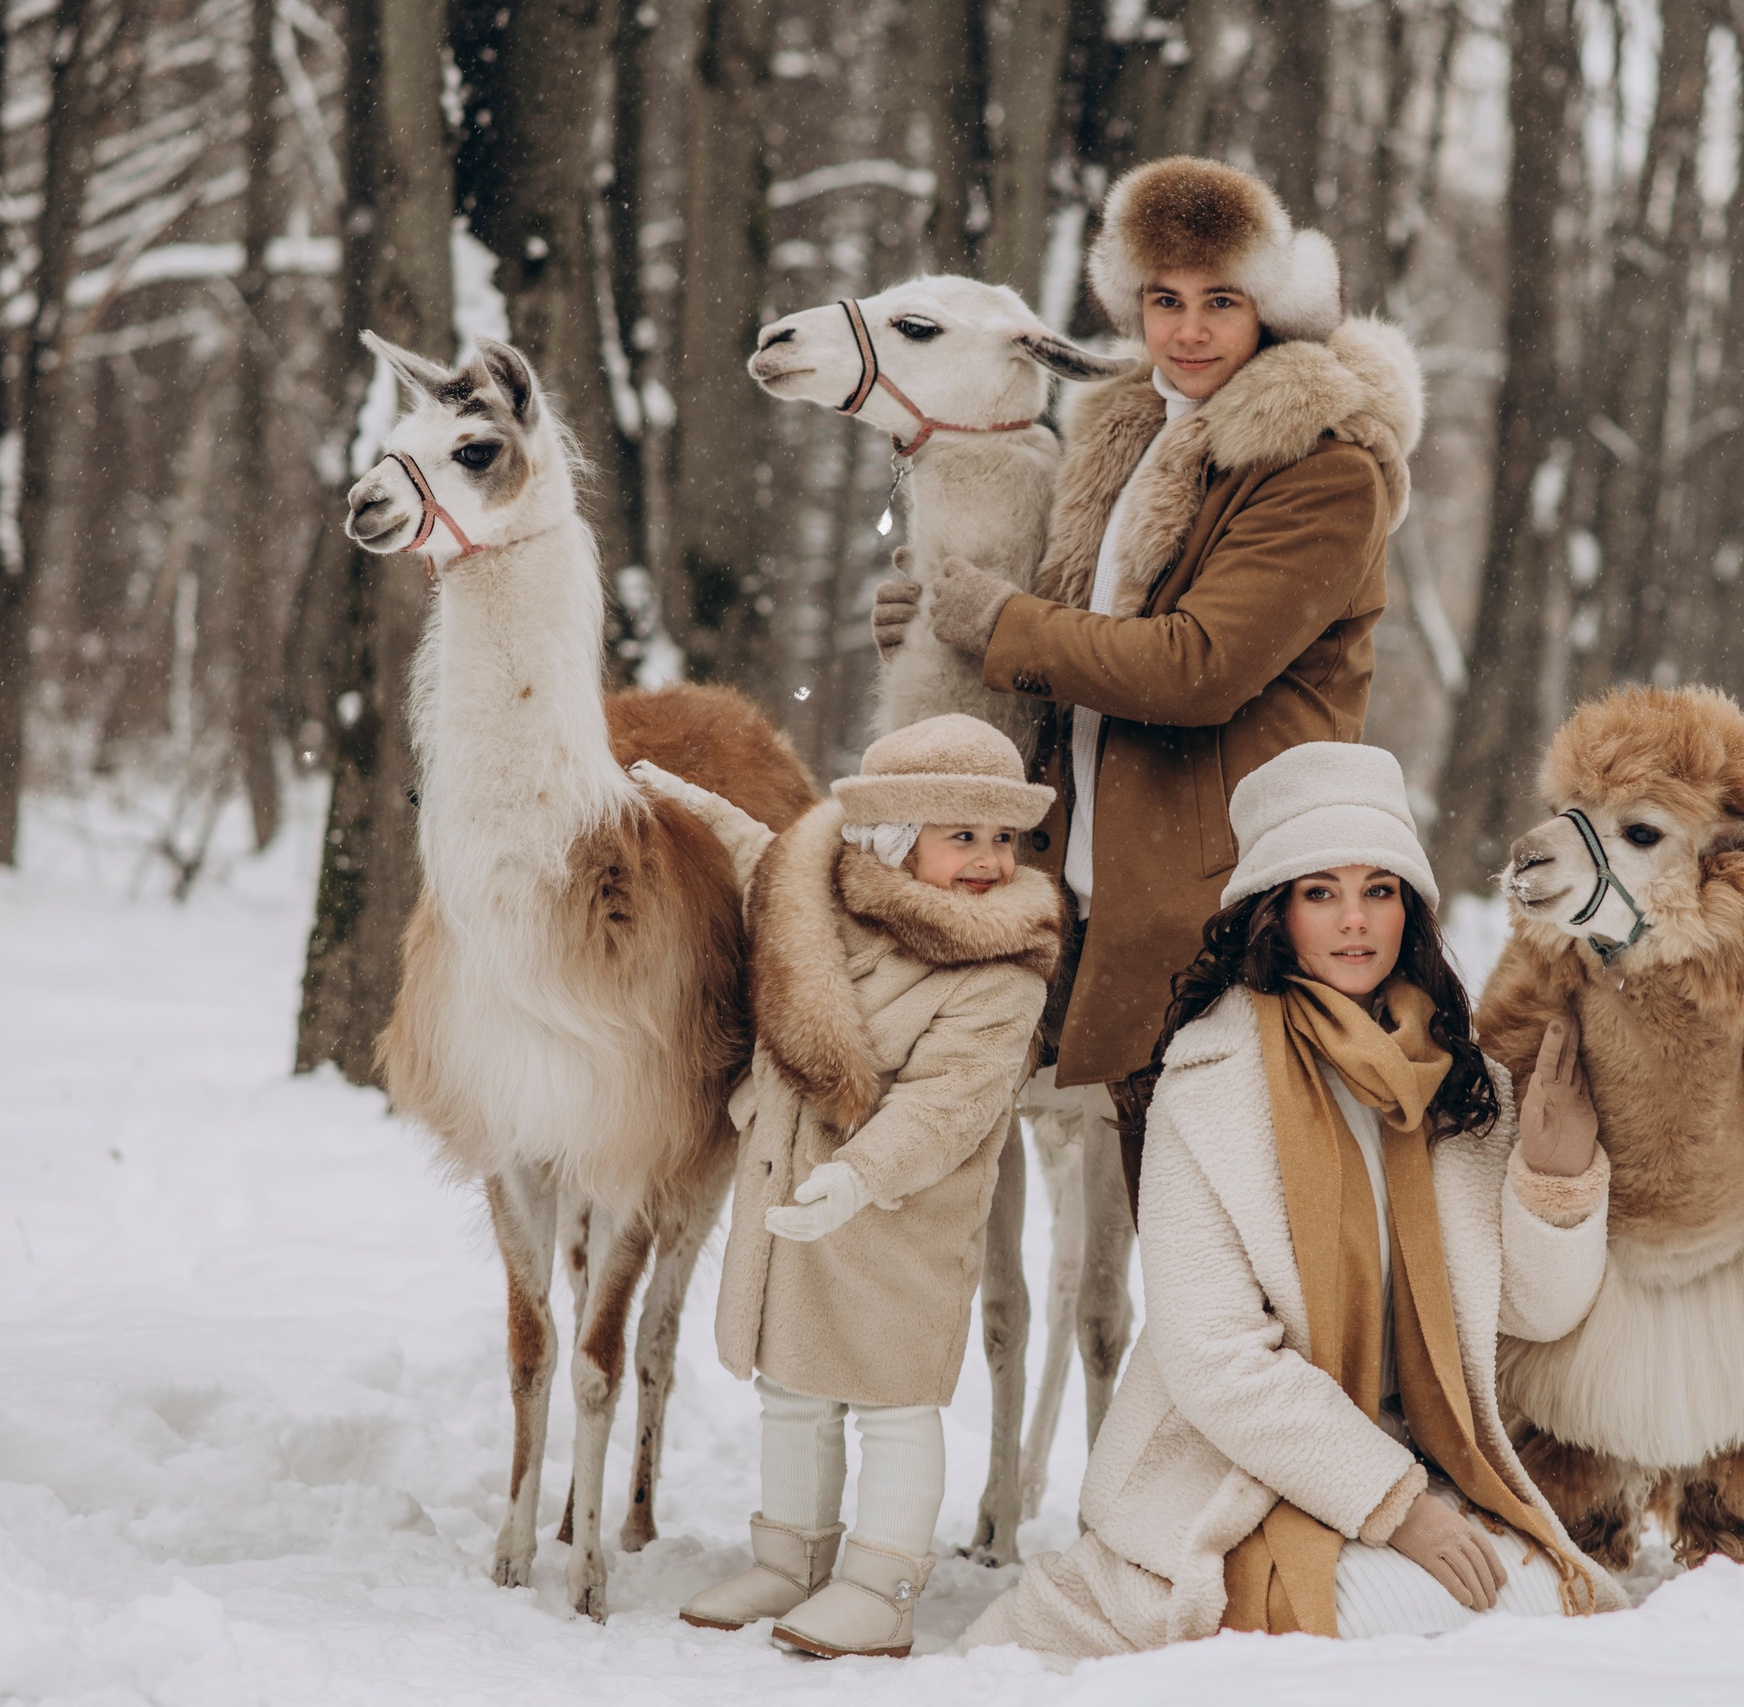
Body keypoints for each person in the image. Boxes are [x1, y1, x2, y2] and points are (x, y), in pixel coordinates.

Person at [959, 743, 1623, 1658]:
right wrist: (1397, 1507)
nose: (1355, 921)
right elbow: (1217, 1358)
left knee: (1545, 1606)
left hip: (1420, 1464)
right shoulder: (1210, 1081)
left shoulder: (1457, 1081)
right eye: (1321, 892)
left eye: (1379, 889)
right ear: (1275, 911)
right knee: (1394, 1628)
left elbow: (1530, 1315)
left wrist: (1554, 1174)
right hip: (1236, 1474)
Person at [870, 156, 1425, 1200]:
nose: (1190, 330)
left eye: (1222, 301)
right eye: (1164, 301)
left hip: (1231, 905)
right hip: (1101, 890)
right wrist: (942, 634)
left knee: (1227, 1236)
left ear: (1271, 308)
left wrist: (1002, 624)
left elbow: (1194, 668)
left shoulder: (1322, 468)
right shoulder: (1132, 438)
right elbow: (1072, 640)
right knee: (1141, 1224)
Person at [643, 714, 1064, 1660]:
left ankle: (883, 1584)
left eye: (1004, 837)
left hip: (904, 1224)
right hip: (797, 1200)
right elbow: (766, 862)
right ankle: (790, 1558)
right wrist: (694, 806)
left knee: (894, 1402)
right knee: (794, 1388)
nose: (991, 860)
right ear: (892, 837)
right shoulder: (828, 898)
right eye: (963, 834)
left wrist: (862, 1175)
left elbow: (949, 1104)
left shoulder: (1002, 969)